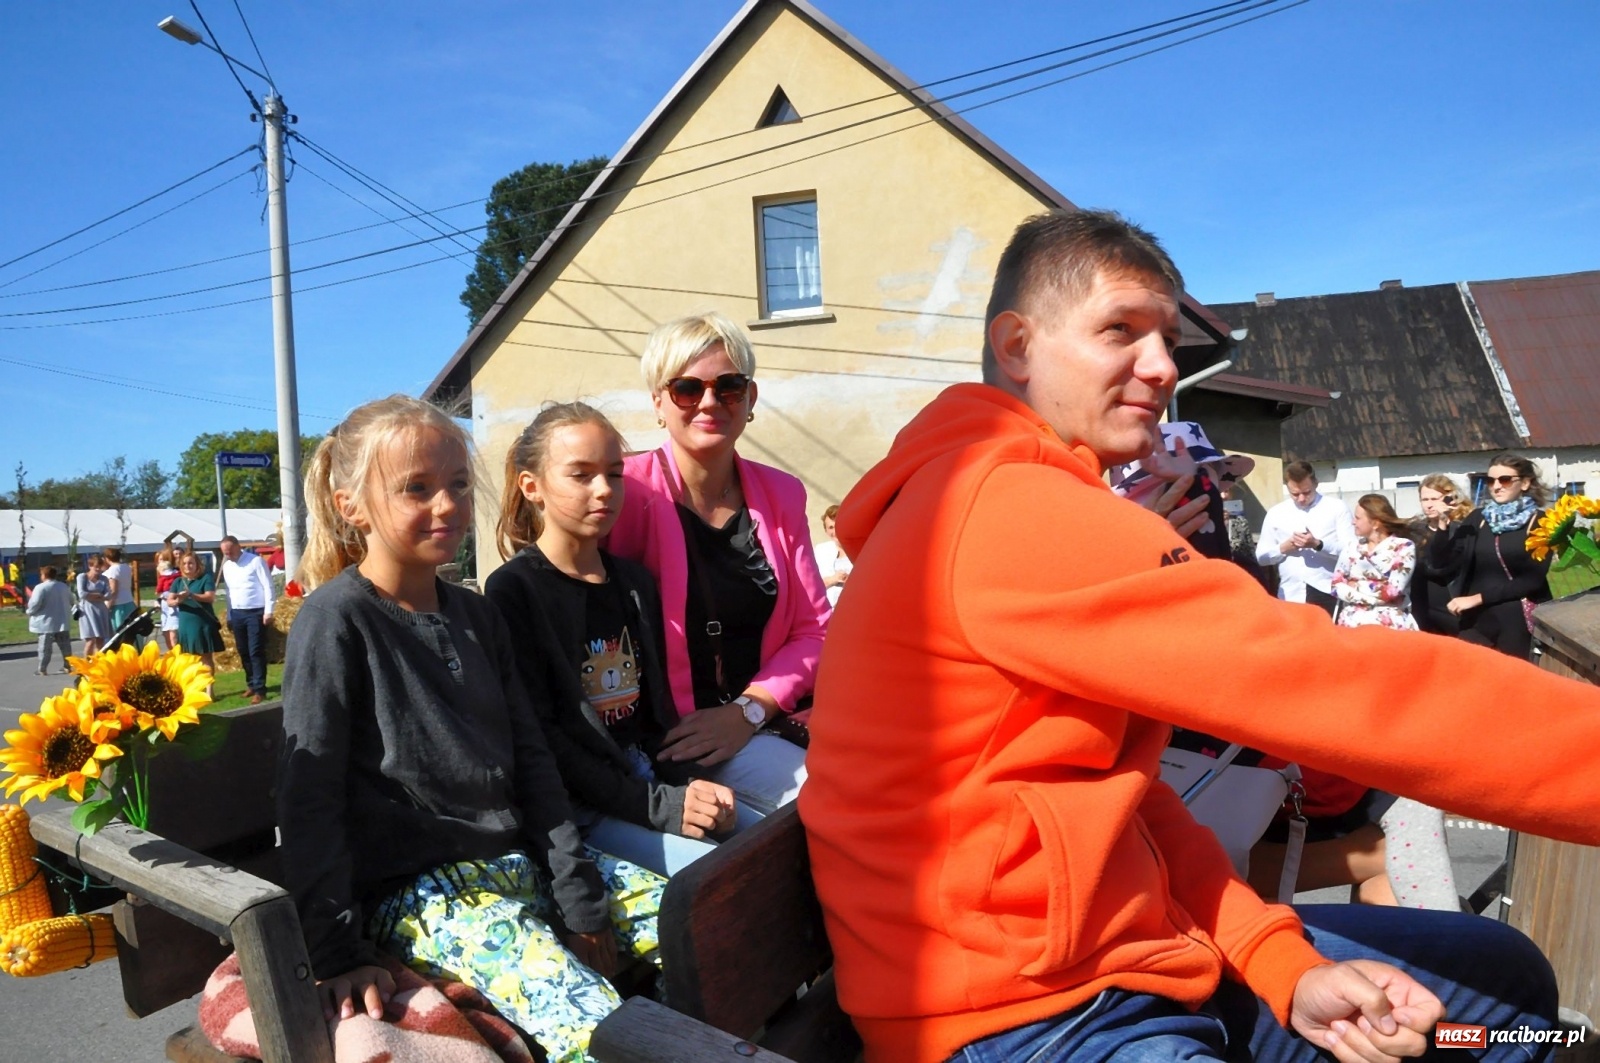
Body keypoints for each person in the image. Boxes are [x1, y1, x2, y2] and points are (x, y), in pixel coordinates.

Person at [800, 209, 1599, 1063]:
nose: (1159, 366)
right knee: (1514, 1020)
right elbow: (1328, 680)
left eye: (1169, 340)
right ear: (1019, 345)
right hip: (1022, 1020)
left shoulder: (1009, 492)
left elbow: (1124, 801)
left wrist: (1280, 961)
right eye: (1121, 330)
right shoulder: (1002, 505)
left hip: (1137, 965)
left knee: (1511, 1000)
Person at [279, 394, 665, 1062]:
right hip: (423, 894)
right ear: (352, 505)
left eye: (458, 484)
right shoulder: (336, 619)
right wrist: (337, 951)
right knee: (600, 1030)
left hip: (520, 864)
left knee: (700, 917)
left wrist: (578, 893)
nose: (448, 504)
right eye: (416, 488)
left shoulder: (477, 615)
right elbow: (309, 798)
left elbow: (532, 760)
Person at [486, 401, 740, 878]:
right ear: (532, 487)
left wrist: (692, 787)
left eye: (614, 473)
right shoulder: (515, 591)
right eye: (580, 475)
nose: (604, 491)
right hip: (580, 807)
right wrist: (663, 807)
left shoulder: (634, 582)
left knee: (761, 844)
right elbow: (545, 742)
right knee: (716, 882)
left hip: (645, 780)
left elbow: (655, 715)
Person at [608, 311, 829, 818]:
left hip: (768, 720)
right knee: (832, 803)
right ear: (658, 402)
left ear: (750, 400)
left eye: (728, 387)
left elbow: (815, 630)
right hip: (672, 740)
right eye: (687, 388)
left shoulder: (781, 493)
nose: (709, 402)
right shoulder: (626, 491)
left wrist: (746, 711)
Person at [1445, 453, 1553, 659]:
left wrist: (1477, 599)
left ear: (1524, 483)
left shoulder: (1540, 522)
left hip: (1515, 622)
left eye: (1504, 480)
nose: (1496, 486)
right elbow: (1444, 565)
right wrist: (1443, 526)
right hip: (1476, 622)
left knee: (1514, 684)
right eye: (1490, 480)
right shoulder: (1478, 518)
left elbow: (1532, 580)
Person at [1255, 462, 1352, 616]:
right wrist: (1283, 548)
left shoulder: (1336, 508)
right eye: (1295, 494)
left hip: (1327, 591)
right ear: (1287, 488)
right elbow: (1261, 557)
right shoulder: (1276, 513)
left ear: (1316, 484)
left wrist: (1318, 544)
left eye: (1307, 492)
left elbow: (1351, 551)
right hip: (1290, 594)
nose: (1301, 499)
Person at [1332, 494, 1418, 630]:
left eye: (1358, 518)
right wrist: (1376, 595)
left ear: (1376, 523)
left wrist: (1354, 585)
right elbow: (1336, 586)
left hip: (1389, 626)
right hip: (1351, 624)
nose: (1353, 522)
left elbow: (1393, 591)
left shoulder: (1403, 547)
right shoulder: (1351, 547)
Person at [1411, 475, 1474, 635]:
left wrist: (1442, 523)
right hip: (1420, 604)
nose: (1429, 505)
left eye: (1434, 499)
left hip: (1449, 604)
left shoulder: (1461, 529)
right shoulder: (1414, 530)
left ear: (1448, 499)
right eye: (1425, 499)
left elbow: (1439, 566)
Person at [219, 535, 275, 704]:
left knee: (255, 650)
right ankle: (251, 683)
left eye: (229, 551)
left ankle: (260, 688)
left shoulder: (255, 562)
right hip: (237, 613)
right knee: (243, 650)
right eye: (225, 552)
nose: (228, 554)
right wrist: (229, 614)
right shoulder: (227, 566)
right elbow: (229, 593)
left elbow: (268, 585)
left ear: (237, 546)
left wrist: (268, 611)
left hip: (255, 612)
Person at [165, 550, 224, 678]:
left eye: (191, 563)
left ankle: (209, 689)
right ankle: (196, 687)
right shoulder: (178, 581)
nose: (187, 566)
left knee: (205, 657)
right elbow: (169, 600)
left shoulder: (205, 578)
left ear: (197, 564)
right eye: (184, 563)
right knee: (190, 658)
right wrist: (176, 600)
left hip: (202, 622)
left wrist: (191, 595)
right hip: (186, 623)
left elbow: (210, 597)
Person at [25, 565, 73, 675]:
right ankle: (67, 666)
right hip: (62, 620)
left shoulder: (40, 588)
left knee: (44, 647)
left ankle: (42, 668)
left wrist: (29, 612)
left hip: (46, 622)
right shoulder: (63, 586)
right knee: (65, 646)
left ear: (44, 575)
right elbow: (71, 599)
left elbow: (35, 604)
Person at [812, 504, 853, 607]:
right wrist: (833, 579)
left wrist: (852, 580)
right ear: (826, 531)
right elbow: (811, 585)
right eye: (831, 527)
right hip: (828, 612)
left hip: (854, 609)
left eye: (838, 525)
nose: (835, 531)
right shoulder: (821, 551)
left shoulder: (859, 549)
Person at [75, 553, 111, 657]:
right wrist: (98, 595)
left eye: (100, 567)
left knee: (101, 639)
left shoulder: (104, 579)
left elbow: (108, 595)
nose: (99, 570)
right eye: (96, 567)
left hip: (100, 610)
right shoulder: (82, 577)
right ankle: (86, 664)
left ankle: (99, 662)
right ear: (90, 566)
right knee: (90, 639)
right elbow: (82, 594)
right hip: (87, 610)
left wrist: (93, 596)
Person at [101, 546, 137, 633]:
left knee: (120, 630)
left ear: (107, 558)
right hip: (129, 601)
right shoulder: (126, 567)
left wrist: (107, 607)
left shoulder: (113, 570)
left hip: (118, 605)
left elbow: (113, 590)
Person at [154, 546, 181, 650]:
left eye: (162, 560)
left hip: (174, 605)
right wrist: (158, 601)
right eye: (158, 560)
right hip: (164, 606)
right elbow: (160, 591)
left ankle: (177, 656)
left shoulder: (176, 574)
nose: (159, 562)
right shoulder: (161, 574)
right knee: (165, 633)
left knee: (173, 633)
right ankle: (172, 653)